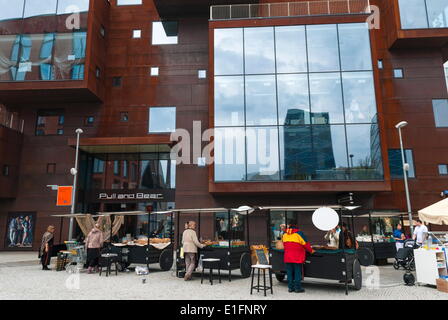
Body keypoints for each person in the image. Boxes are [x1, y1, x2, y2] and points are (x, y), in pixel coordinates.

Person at [282, 222, 314, 293]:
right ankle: (297, 288)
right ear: (296, 226)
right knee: (297, 272)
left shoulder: (284, 234)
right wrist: (311, 251)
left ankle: (290, 288)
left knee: (289, 272)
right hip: (297, 256)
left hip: (288, 256)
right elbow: (305, 244)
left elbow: (284, 244)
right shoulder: (299, 233)